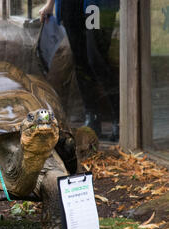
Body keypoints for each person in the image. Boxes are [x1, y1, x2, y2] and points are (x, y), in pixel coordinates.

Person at [39, 0, 120, 141]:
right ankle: (92, 116)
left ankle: (120, 117)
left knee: (96, 59)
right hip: (70, 6)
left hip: (96, 6)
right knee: (80, 61)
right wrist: (50, 4)